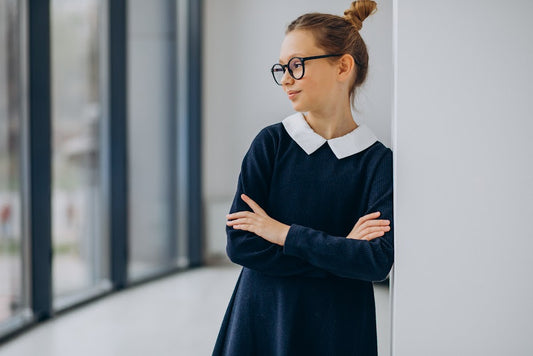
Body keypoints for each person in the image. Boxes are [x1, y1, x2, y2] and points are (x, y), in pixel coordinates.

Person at [213, 1, 393, 354]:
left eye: (297, 65)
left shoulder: (377, 161)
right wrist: (339, 251)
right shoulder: (271, 144)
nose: (286, 80)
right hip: (265, 318)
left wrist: (283, 234)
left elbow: (375, 261)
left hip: (338, 329)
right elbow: (241, 244)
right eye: (281, 68)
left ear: (342, 66)